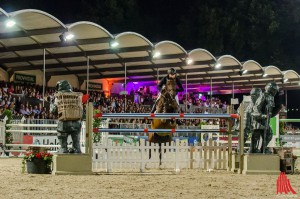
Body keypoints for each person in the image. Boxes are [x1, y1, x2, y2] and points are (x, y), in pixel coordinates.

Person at [251, 82, 282, 153]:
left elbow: (270, 114)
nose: (275, 92)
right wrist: (262, 116)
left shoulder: (271, 98)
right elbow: (256, 109)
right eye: (274, 90)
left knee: (269, 135)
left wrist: (277, 109)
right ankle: (254, 150)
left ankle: (263, 149)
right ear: (271, 89)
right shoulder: (263, 96)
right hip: (258, 122)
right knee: (256, 137)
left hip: (265, 122)